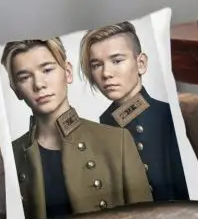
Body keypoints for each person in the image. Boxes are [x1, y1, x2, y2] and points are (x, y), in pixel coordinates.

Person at [0, 37, 153, 219]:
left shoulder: (117, 141)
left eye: (47, 70)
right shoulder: (10, 157)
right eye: (24, 77)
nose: (39, 84)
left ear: (68, 72)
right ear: (16, 89)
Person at [79, 21, 190, 202]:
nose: (106, 73)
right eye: (97, 65)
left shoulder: (169, 116)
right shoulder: (103, 124)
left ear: (141, 63)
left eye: (117, 61)